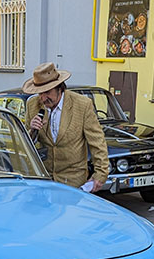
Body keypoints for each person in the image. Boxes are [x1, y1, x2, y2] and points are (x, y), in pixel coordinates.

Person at [23, 62, 110, 191]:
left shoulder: (82, 105)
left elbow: (97, 142)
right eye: (39, 93)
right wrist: (32, 131)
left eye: (47, 92)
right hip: (44, 180)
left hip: (73, 181)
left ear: (59, 88)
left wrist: (100, 174)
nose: (43, 98)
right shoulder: (32, 105)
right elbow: (25, 145)